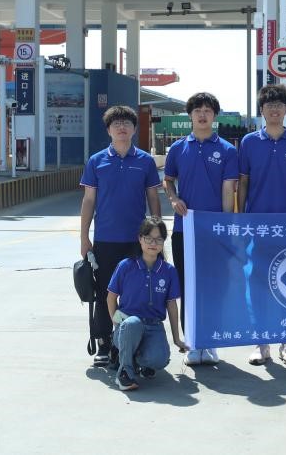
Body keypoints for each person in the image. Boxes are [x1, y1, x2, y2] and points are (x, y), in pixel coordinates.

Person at [79, 105, 162, 368]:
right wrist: (84, 237)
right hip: (106, 240)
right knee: (106, 292)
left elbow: (153, 198)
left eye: (126, 123)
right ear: (109, 130)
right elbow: (89, 200)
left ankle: (133, 343)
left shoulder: (145, 161)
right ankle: (105, 342)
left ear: (134, 129)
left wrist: (158, 235)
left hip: (139, 241)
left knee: (137, 292)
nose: (122, 127)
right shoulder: (97, 161)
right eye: (116, 124)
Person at [163, 91, 238, 366]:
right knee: (188, 287)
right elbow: (168, 180)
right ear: (190, 116)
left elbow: (228, 190)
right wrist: (173, 198)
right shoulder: (177, 148)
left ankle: (211, 341)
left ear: (214, 115)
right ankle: (193, 342)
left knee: (215, 287)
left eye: (207, 110)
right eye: (197, 111)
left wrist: (227, 226)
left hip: (215, 232)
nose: (202, 115)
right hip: (185, 230)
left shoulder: (228, 150)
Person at [238, 84, 286, 367]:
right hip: (258, 228)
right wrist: (241, 218)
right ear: (262, 110)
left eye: (279, 105)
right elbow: (243, 183)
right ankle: (261, 343)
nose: (275, 110)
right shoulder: (249, 142)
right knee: (258, 286)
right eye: (269, 106)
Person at [107, 218, 187, 391]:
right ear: (140, 239)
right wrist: (118, 326)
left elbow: (172, 305)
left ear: (163, 241)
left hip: (153, 325)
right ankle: (125, 373)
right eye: (148, 238)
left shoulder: (169, 271)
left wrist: (176, 338)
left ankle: (136, 358)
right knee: (132, 324)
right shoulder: (126, 266)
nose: (153, 243)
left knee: (159, 359)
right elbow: (111, 298)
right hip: (128, 323)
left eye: (158, 239)